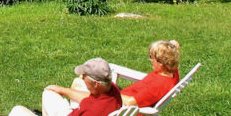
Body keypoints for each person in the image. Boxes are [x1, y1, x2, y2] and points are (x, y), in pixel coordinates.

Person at [48, 40, 181, 110]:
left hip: (119, 108)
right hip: (121, 97)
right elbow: (172, 56)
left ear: (162, 63)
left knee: (79, 82)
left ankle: (74, 114)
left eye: (151, 57)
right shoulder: (171, 73)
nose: (150, 60)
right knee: (83, 79)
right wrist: (174, 47)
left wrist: (109, 92)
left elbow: (130, 103)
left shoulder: (157, 85)